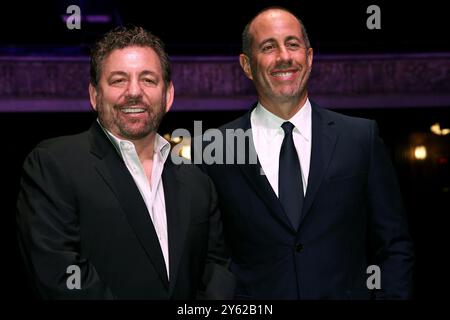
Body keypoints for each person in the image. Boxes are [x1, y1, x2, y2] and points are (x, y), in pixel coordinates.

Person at [196, 7, 414, 299]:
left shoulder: (361, 138)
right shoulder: (214, 149)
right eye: (268, 47)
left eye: (293, 44)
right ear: (247, 65)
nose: (284, 56)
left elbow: (394, 245)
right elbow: (208, 260)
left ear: (309, 58)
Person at [16, 26, 233, 299]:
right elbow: (59, 275)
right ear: (95, 95)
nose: (134, 92)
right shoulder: (52, 164)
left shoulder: (197, 180)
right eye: (119, 80)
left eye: (148, 80)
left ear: (168, 96)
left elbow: (217, 270)